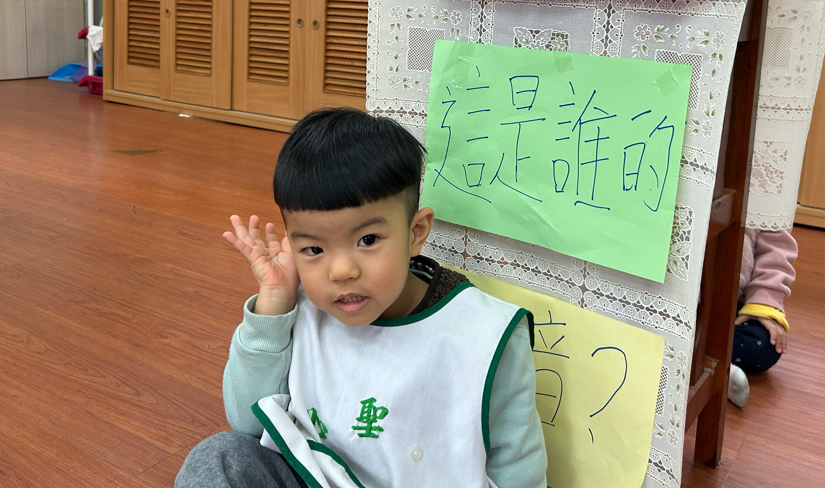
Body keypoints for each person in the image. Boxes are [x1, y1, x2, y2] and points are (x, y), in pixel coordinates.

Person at [176, 108, 548, 488]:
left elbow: (518, 467)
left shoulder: (484, 335)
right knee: (219, 456)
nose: (341, 271)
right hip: (316, 476)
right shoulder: (302, 306)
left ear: (416, 232)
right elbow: (248, 422)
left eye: (367, 240)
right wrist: (273, 302)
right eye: (314, 249)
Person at [727, 226, 797, 407]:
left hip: (730, 300)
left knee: (766, 344)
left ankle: (697, 357)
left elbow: (776, 250)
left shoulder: (769, 210)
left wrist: (763, 300)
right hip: (674, 296)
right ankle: (710, 365)